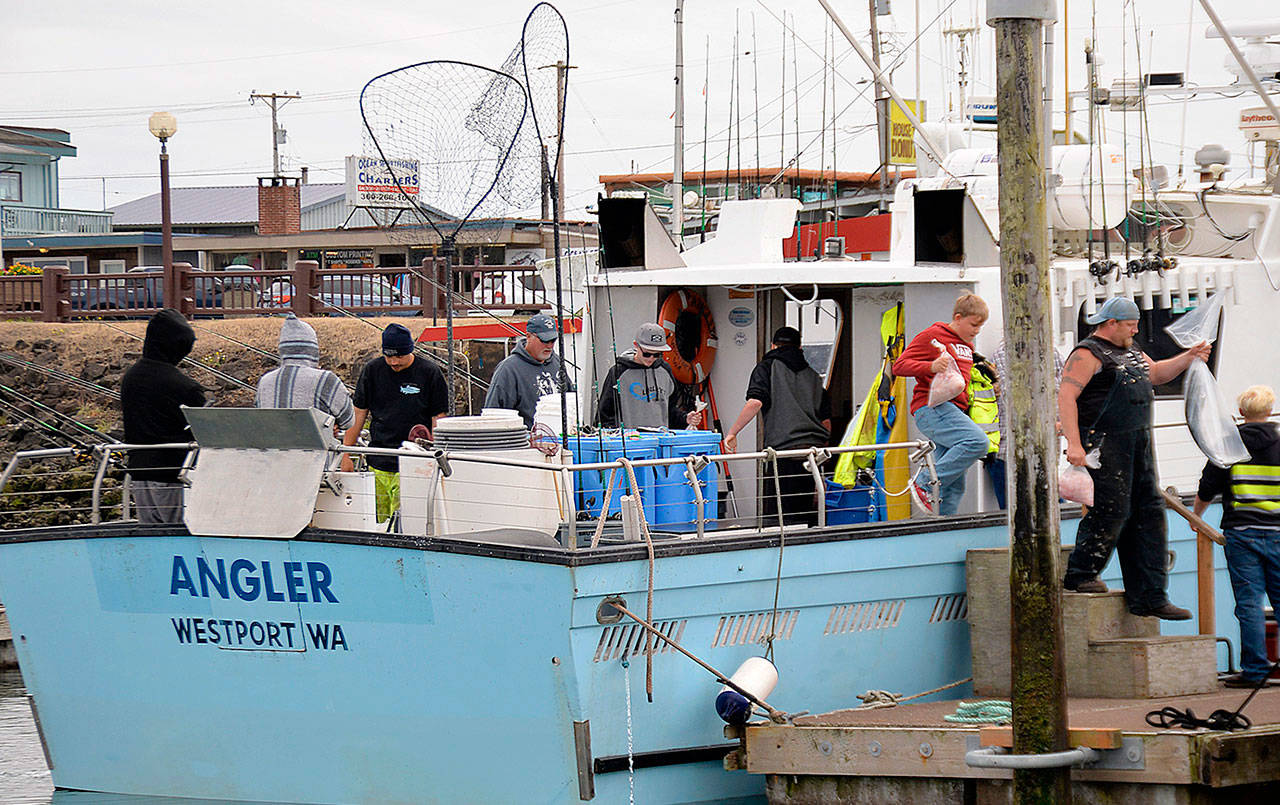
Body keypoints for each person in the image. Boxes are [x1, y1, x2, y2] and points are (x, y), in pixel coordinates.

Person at [1059, 296, 1210, 620]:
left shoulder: (1131, 349)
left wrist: (1189, 356)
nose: (1136, 329)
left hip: (1139, 442)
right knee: (1112, 510)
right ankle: (1081, 573)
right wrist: (1075, 444)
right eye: (1131, 324)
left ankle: (1151, 596)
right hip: (1104, 443)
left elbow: (1155, 374)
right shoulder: (1088, 353)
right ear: (1111, 323)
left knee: (1150, 512)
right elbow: (1067, 396)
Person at [1193, 385, 1280, 686]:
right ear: (1270, 411)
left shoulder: (1229, 444)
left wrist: (1197, 516)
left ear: (1241, 413)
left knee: (1249, 603)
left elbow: (1208, 484)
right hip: (1278, 532)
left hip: (1242, 532)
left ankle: (1255, 671)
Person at [892, 292, 991, 516]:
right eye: (974, 324)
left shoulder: (967, 345)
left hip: (954, 409)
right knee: (976, 443)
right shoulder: (934, 336)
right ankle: (925, 482)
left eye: (980, 326)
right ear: (958, 317)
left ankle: (942, 524)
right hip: (932, 408)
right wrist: (931, 367)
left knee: (955, 484)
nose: (976, 330)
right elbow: (900, 366)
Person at [340, 323, 449, 523]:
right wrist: (345, 453)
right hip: (378, 462)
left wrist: (437, 456)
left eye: (399, 356)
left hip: (414, 463)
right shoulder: (372, 371)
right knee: (377, 523)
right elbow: (358, 414)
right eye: (389, 356)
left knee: (408, 523)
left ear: (410, 350)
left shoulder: (430, 373)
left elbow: (438, 419)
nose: (393, 361)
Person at [724, 326, 831, 526]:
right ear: (800, 347)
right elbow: (825, 421)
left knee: (780, 519)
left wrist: (732, 432)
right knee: (807, 518)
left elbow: (755, 402)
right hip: (812, 455)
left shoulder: (766, 367)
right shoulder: (813, 376)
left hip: (782, 455)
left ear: (773, 345)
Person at [120, 308, 206, 524]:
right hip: (173, 475)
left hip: (139, 473)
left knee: (151, 538)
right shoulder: (186, 387)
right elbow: (202, 432)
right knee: (178, 536)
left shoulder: (130, 377)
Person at [988, 340, 1066, 510]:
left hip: (1046, 451)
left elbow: (1064, 391)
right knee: (1015, 512)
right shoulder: (1005, 354)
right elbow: (1013, 400)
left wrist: (1062, 424)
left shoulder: (1052, 353)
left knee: (1052, 508)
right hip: (1009, 451)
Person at [255, 314, 354, 440]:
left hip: (271, 456)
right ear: (313, 349)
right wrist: (328, 426)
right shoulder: (324, 380)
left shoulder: (265, 381)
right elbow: (349, 421)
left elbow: (261, 421)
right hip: (317, 457)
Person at [595, 322, 702, 429]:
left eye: (657, 355)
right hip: (630, 442)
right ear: (636, 345)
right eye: (647, 354)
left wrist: (685, 418)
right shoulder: (618, 372)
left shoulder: (665, 370)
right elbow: (604, 416)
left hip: (660, 441)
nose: (651, 358)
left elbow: (670, 410)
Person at [484, 313, 573, 428]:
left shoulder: (557, 362)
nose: (550, 345)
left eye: (553, 340)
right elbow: (493, 414)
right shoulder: (508, 369)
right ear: (528, 336)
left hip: (560, 439)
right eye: (544, 340)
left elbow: (571, 399)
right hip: (525, 442)